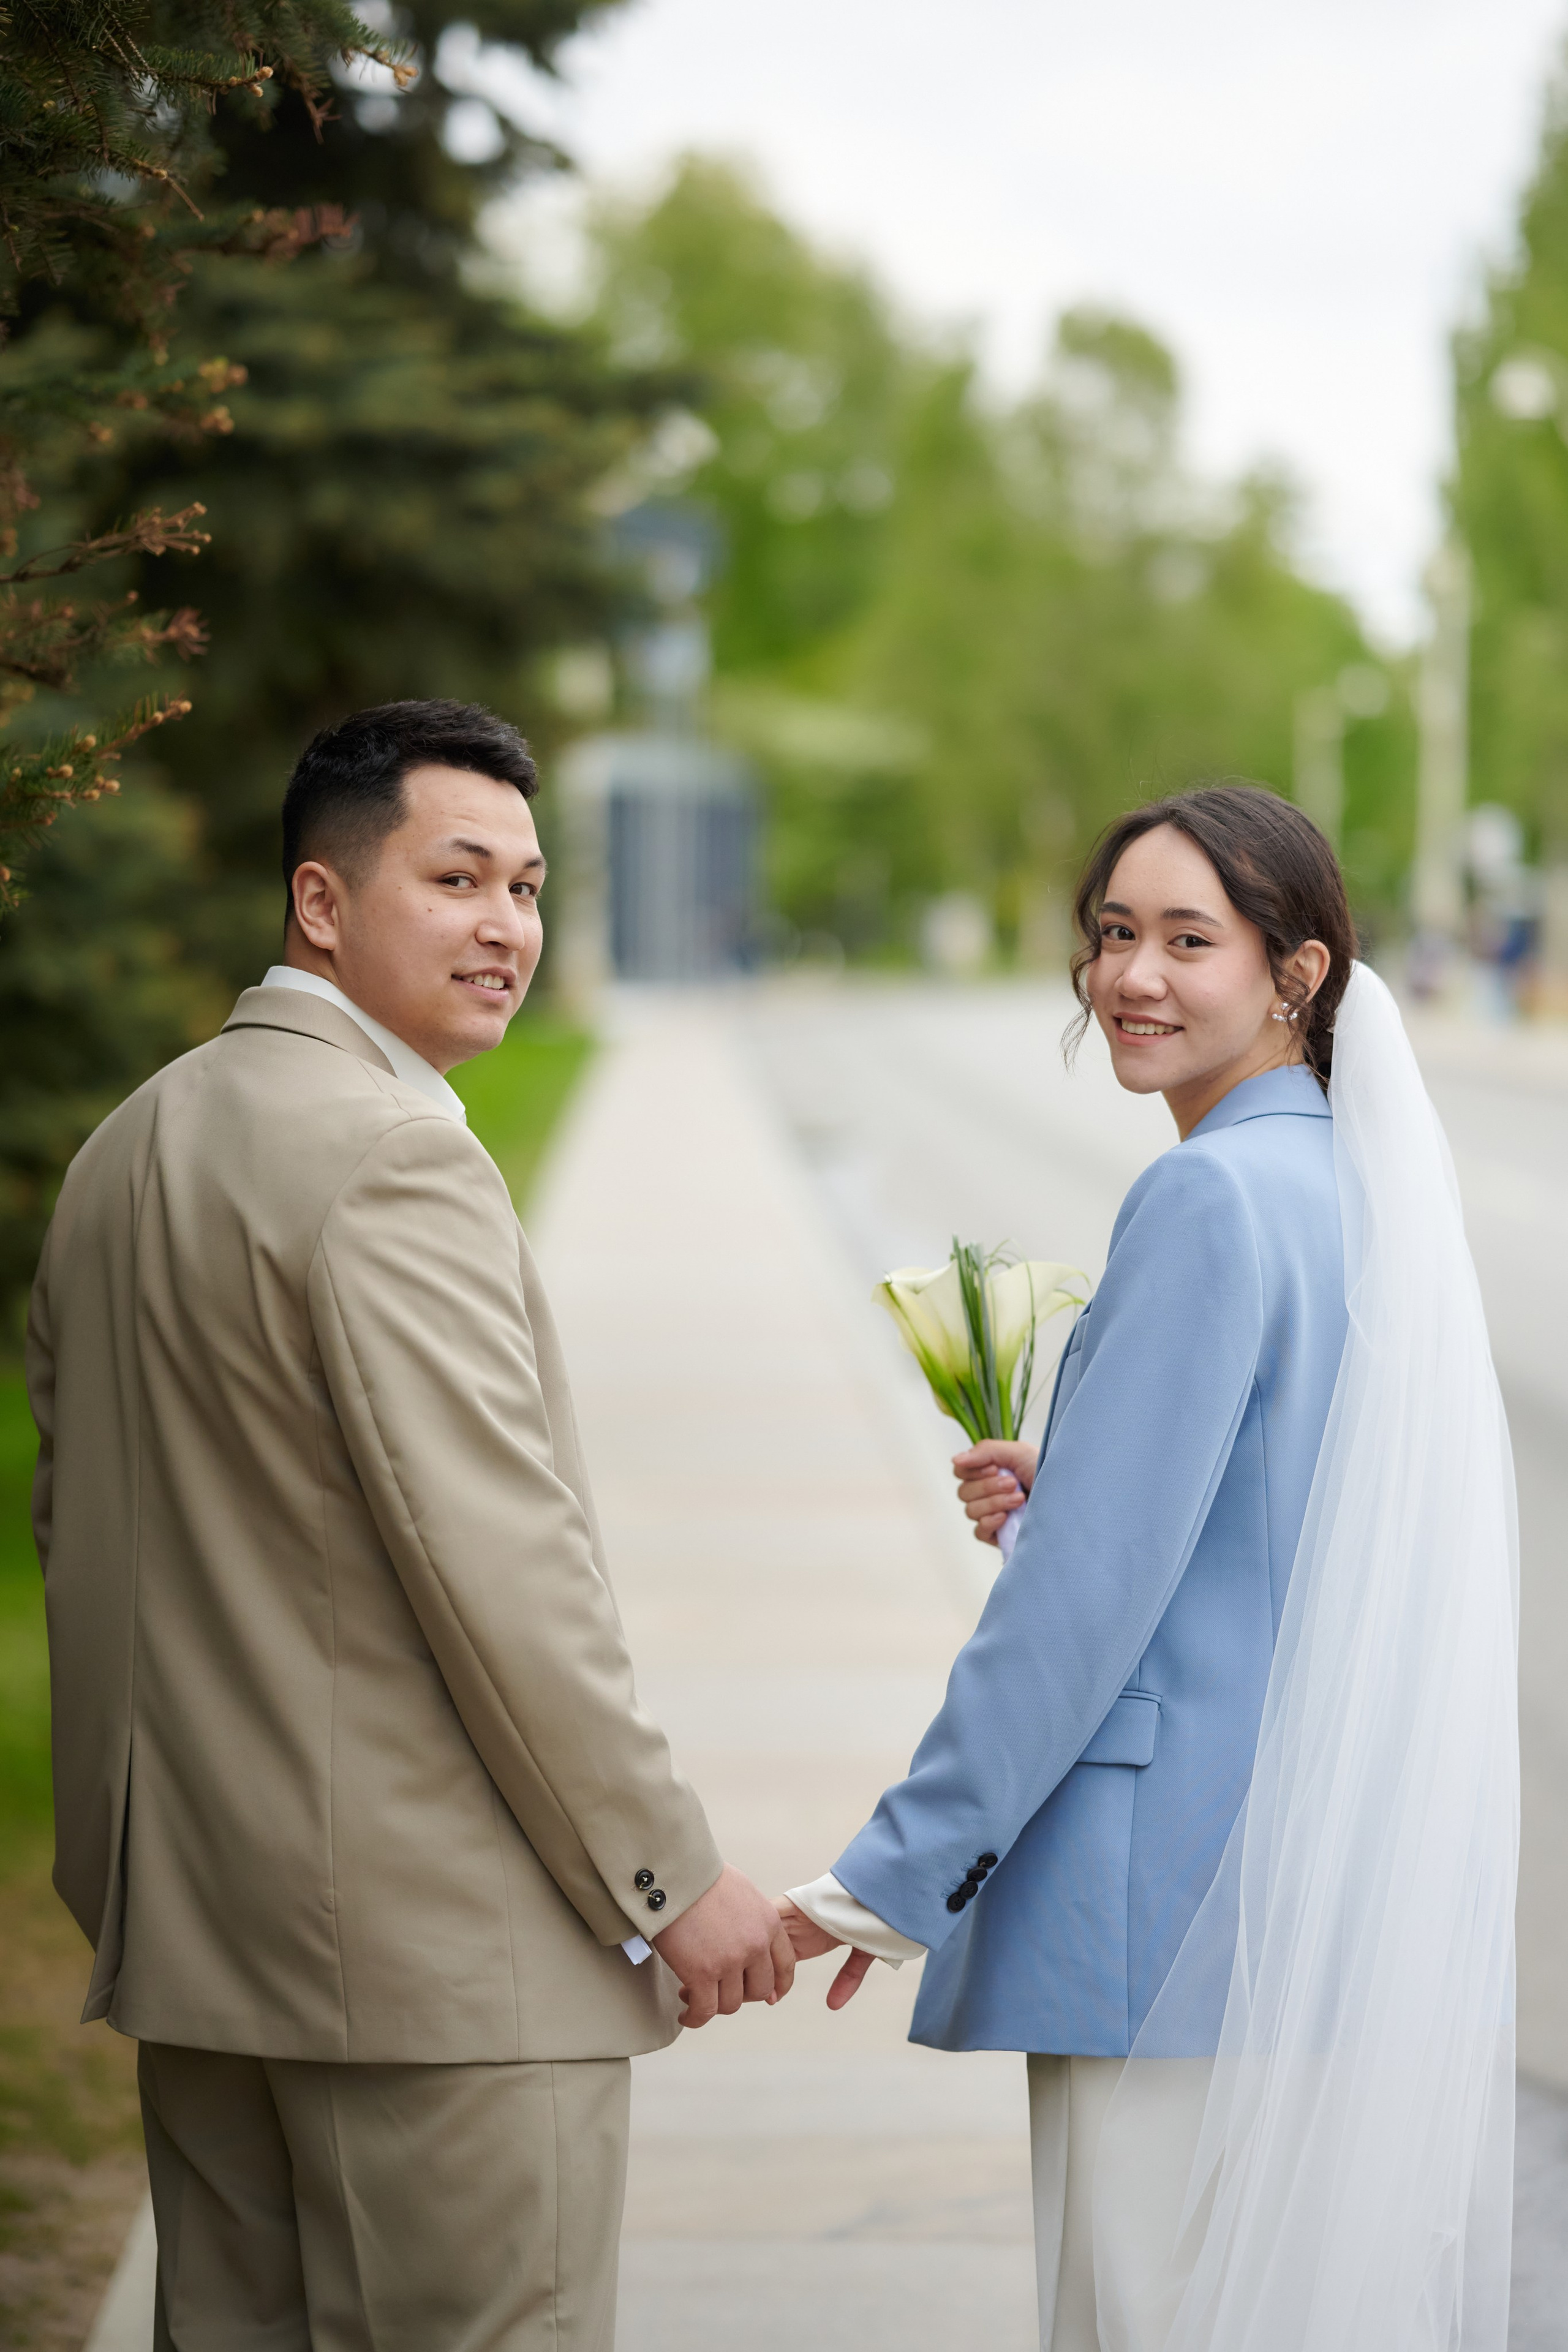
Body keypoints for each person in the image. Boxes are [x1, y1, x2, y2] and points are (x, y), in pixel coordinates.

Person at [29, 699, 794, 2350]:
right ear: (320, 902)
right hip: (438, 1983)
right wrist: (668, 1876)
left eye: (527, 888)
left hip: (206, 1951)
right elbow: (500, 1574)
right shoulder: (394, 1162)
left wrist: (128, 1880)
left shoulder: (123, 1147)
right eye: (457, 880)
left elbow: (78, 1550)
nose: (506, 926)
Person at [779, 784, 1518, 2351]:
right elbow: (1292, 1518)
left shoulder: (1203, 1193)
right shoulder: (1351, 1182)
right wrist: (1071, 1496)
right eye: (1113, 932)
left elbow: (1078, 1616)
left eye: (1190, 940)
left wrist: (890, 1879)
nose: (1130, 976)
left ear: (1295, 975)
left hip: (1164, 1914)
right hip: (1313, 1898)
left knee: (1139, 2314)